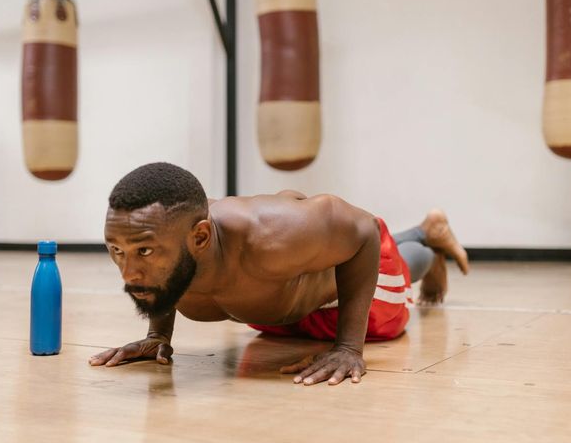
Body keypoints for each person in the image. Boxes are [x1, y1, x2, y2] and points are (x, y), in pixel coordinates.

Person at [89, 162, 469, 385]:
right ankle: (423, 234)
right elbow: (163, 274)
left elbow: (366, 232)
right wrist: (157, 334)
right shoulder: (172, 240)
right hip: (279, 301)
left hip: (336, 287)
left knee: (398, 284)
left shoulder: (267, 237)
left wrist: (348, 348)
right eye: (116, 250)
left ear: (201, 237)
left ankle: (427, 240)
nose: (129, 271)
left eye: (144, 251)